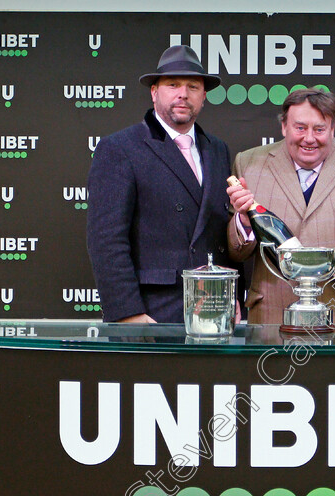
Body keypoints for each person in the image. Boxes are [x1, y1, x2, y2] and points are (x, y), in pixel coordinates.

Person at [87, 45, 236, 323]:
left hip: (214, 309)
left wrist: (231, 294)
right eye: (173, 85)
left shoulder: (218, 149)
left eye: (193, 86)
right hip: (152, 311)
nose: (183, 93)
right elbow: (106, 239)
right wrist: (127, 313)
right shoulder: (120, 147)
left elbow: (219, 233)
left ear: (203, 97)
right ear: (154, 92)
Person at [227, 88, 335, 325]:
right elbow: (236, 252)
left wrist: (332, 262)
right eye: (300, 128)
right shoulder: (248, 163)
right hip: (272, 318)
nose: (309, 138)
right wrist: (245, 224)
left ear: (332, 129)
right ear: (284, 127)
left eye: (319, 129)